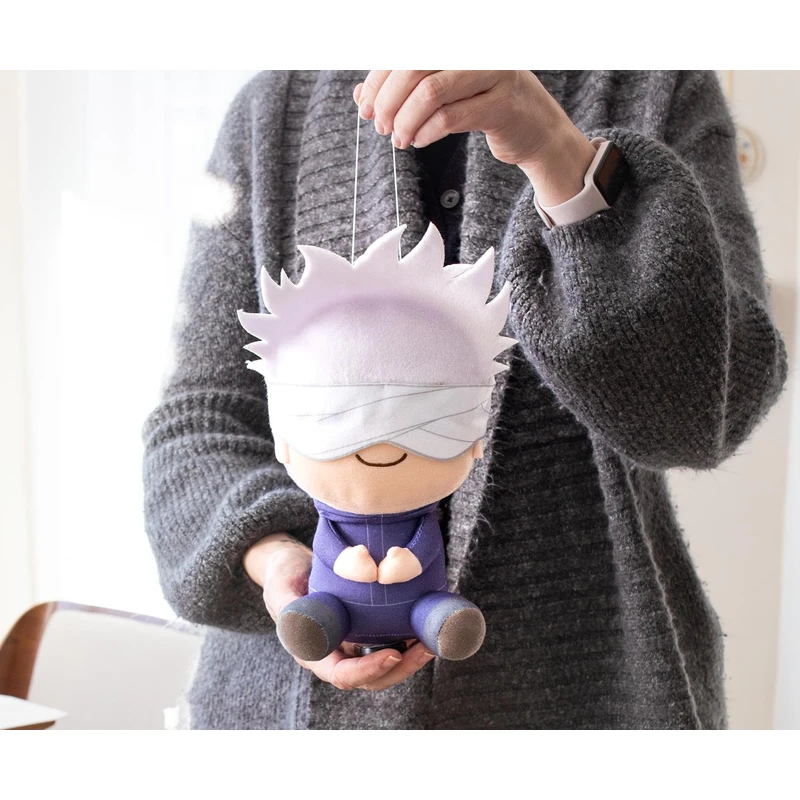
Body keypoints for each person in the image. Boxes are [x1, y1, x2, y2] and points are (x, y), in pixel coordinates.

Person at [142, 70, 788, 729]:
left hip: (589, 693)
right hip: (286, 707)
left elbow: (709, 413)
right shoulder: (275, 108)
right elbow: (198, 422)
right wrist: (277, 559)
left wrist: (562, 160)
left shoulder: (656, 84)